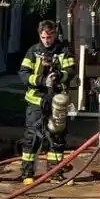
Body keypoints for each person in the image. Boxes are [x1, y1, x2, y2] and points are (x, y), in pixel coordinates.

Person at [18, 20, 76, 184]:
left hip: (57, 101)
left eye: (49, 37)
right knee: (32, 137)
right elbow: (23, 74)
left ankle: (55, 173)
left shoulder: (64, 51)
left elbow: (71, 71)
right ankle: (27, 173)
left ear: (55, 34)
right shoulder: (33, 51)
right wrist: (42, 81)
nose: (46, 40)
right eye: (43, 37)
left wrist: (58, 76)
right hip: (36, 101)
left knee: (57, 136)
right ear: (39, 35)